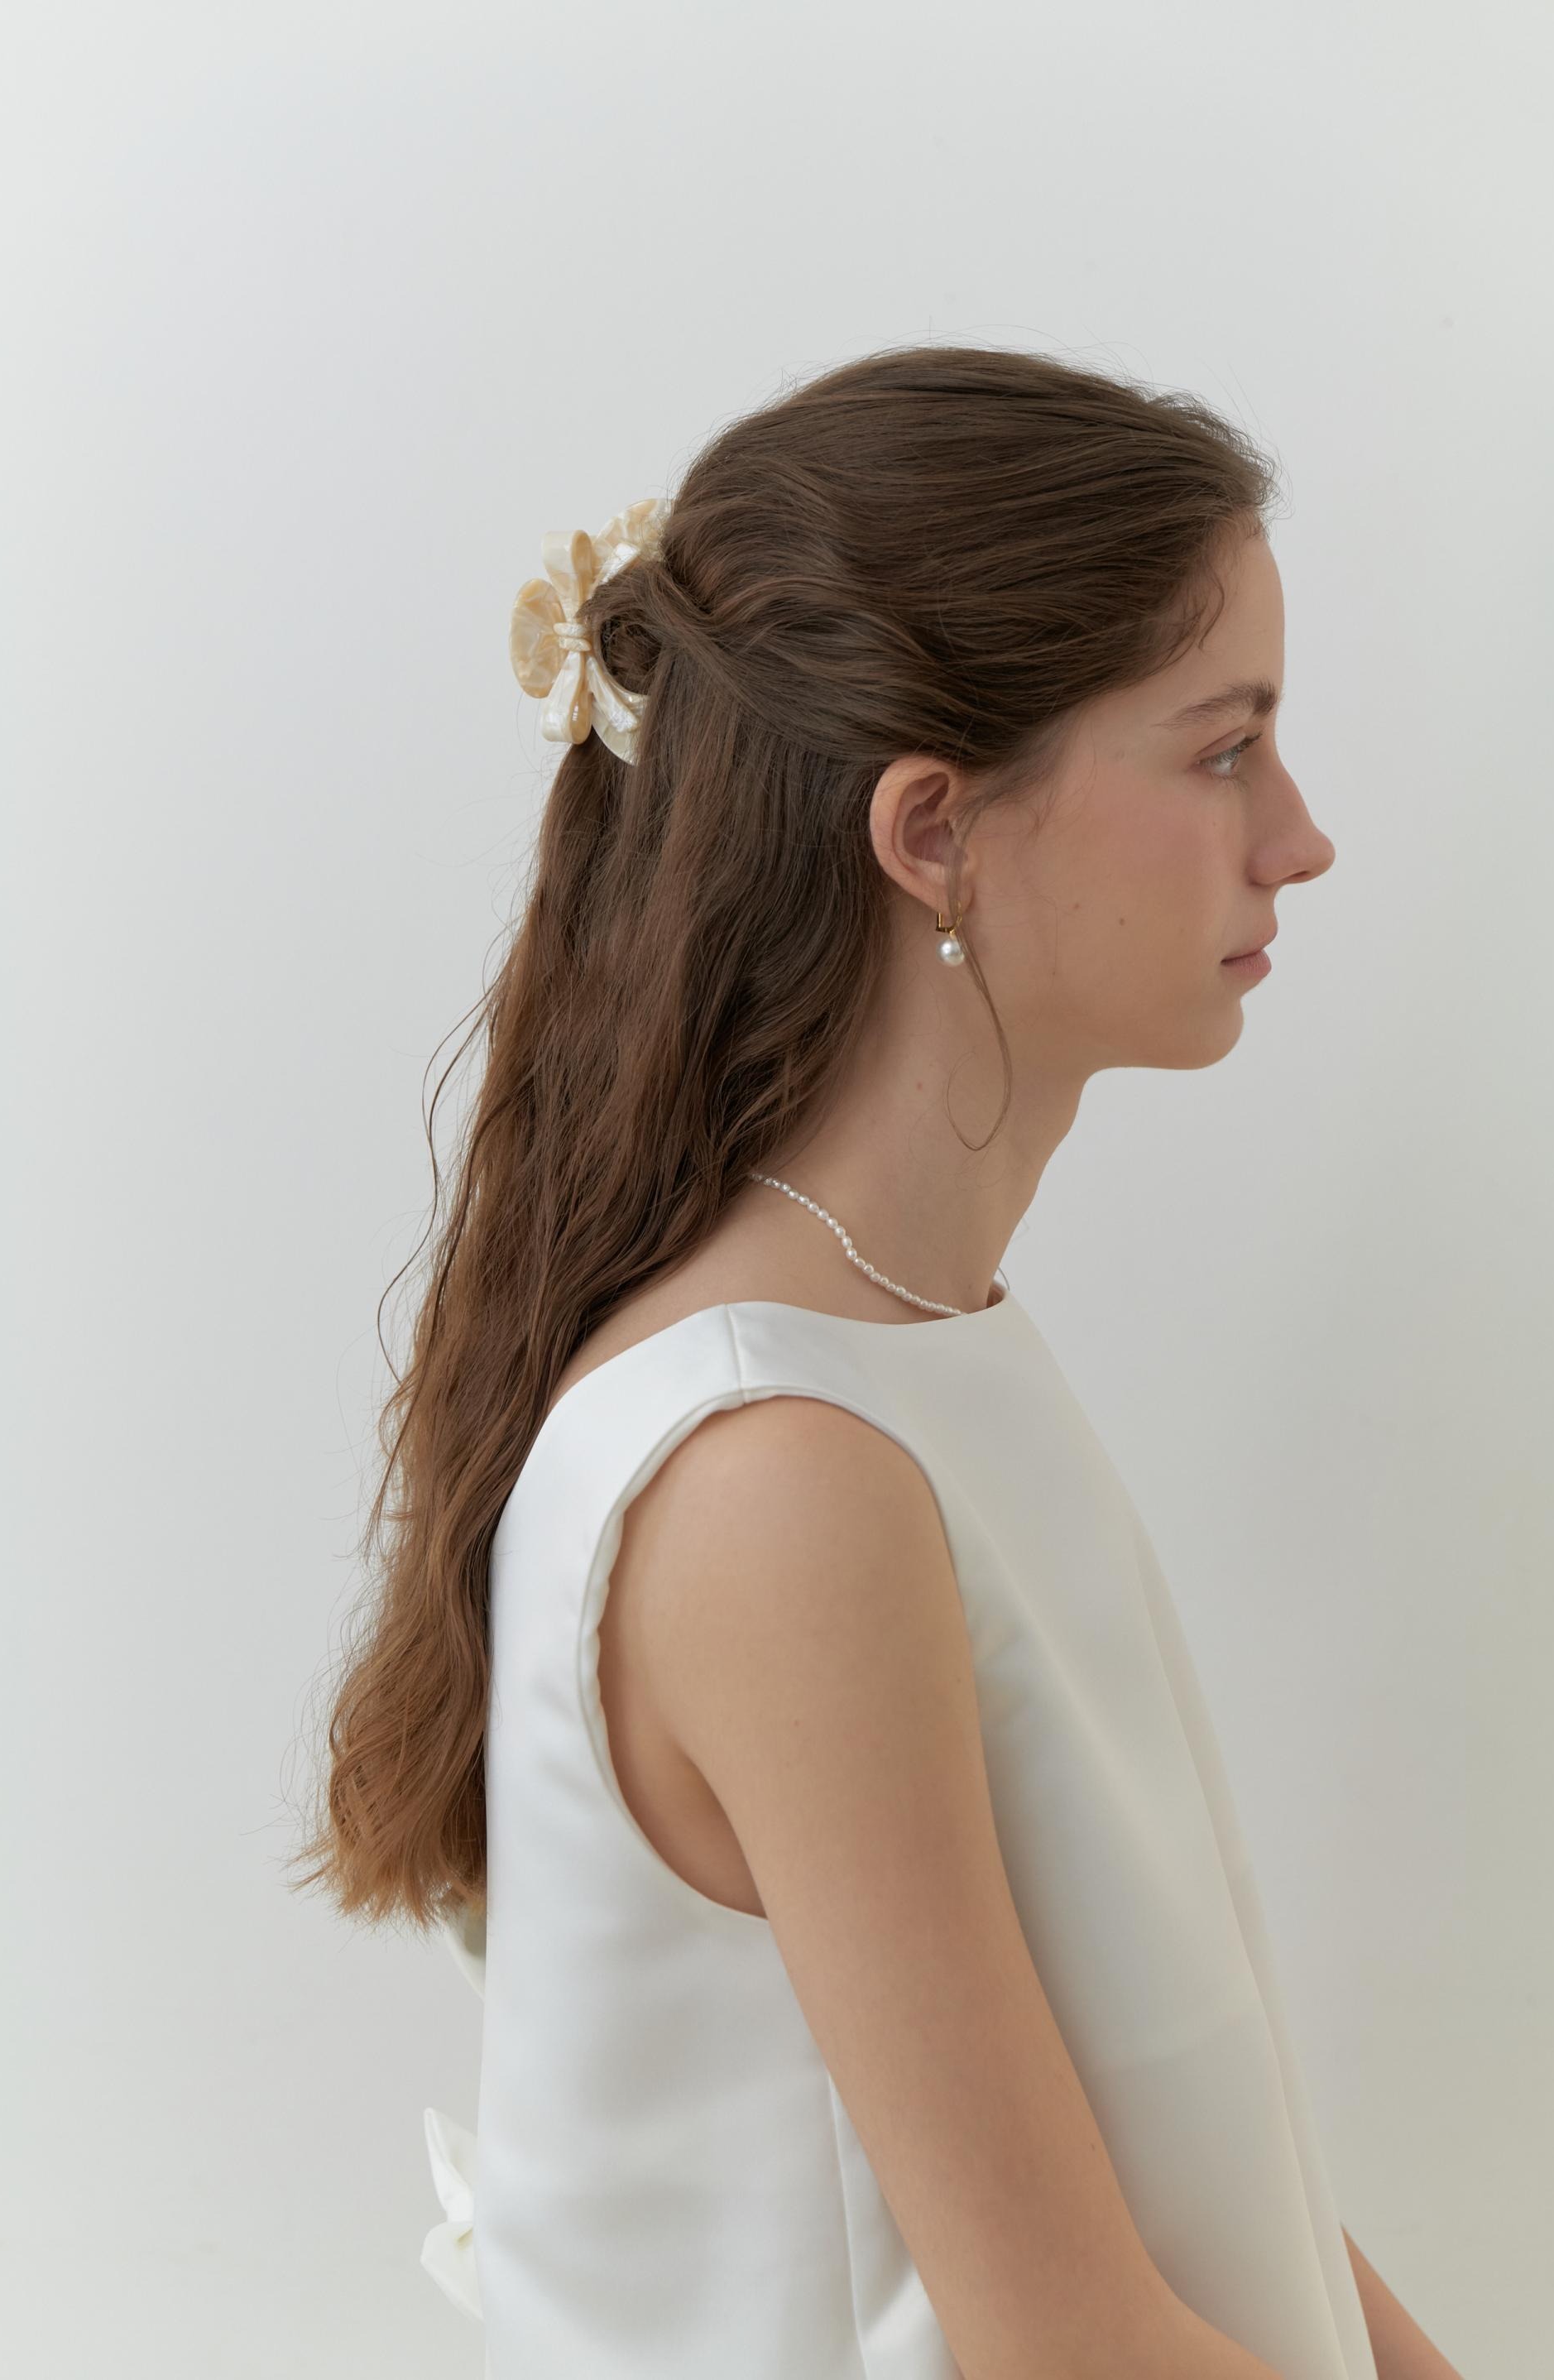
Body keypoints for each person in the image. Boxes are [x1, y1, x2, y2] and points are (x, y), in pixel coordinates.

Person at [290, 343, 1461, 2378]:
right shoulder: (779, 1473)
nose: (1299, 838)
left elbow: (1195, 2183)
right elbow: (1067, 2343)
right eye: (1224, 749)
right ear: (933, 830)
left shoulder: (913, 1361)